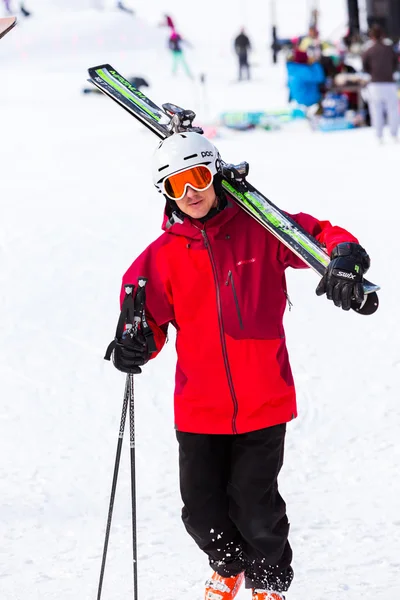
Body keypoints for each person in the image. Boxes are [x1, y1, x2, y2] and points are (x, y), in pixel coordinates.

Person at [110, 132, 371, 600]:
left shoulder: (262, 230)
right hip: (199, 408)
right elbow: (143, 320)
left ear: (214, 174)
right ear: (166, 194)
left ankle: (268, 583)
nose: (190, 193)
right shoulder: (161, 257)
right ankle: (227, 566)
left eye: (197, 177)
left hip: (264, 400)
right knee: (201, 510)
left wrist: (344, 254)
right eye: (176, 185)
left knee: (256, 505)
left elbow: (317, 234)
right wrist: (135, 344)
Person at [362, 24, 399, 141]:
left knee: (376, 110)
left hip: (375, 84)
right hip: (389, 83)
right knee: (392, 109)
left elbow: (364, 67)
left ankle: (379, 135)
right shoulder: (389, 49)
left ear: (371, 37)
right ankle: (394, 134)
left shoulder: (369, 50)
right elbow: (396, 64)